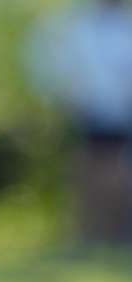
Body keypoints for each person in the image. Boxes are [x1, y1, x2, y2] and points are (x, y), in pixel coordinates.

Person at [26, 0, 132, 246]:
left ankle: (118, 233)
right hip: (91, 114)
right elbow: (53, 61)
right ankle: (93, 233)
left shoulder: (123, 26)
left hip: (120, 115)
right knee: (92, 173)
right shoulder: (79, 26)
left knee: (119, 174)